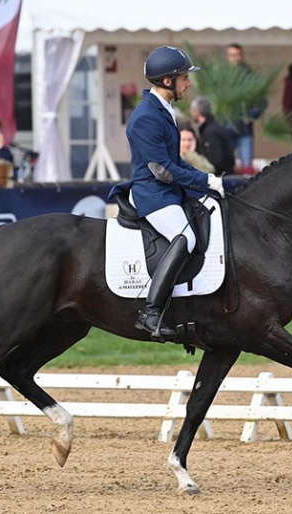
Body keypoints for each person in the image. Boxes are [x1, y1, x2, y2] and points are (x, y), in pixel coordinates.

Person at [108, 46, 225, 341]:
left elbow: (175, 161)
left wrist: (204, 181)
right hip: (154, 194)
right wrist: (204, 180)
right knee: (186, 239)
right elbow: (162, 170)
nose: (188, 83)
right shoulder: (146, 116)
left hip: (169, 189)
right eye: (184, 78)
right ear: (168, 81)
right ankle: (151, 312)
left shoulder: (164, 109)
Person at [225, 43, 267, 175]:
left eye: (237, 55)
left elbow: (261, 101)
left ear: (242, 56)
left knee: (247, 168)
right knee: (225, 164)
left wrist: (251, 116)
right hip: (226, 125)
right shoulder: (221, 76)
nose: (235, 58)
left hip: (244, 128)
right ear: (227, 57)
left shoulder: (250, 76)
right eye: (232, 55)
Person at [190, 96, 235, 175]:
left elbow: (216, 161)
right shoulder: (215, 127)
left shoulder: (210, 132)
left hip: (221, 178)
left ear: (196, 112)